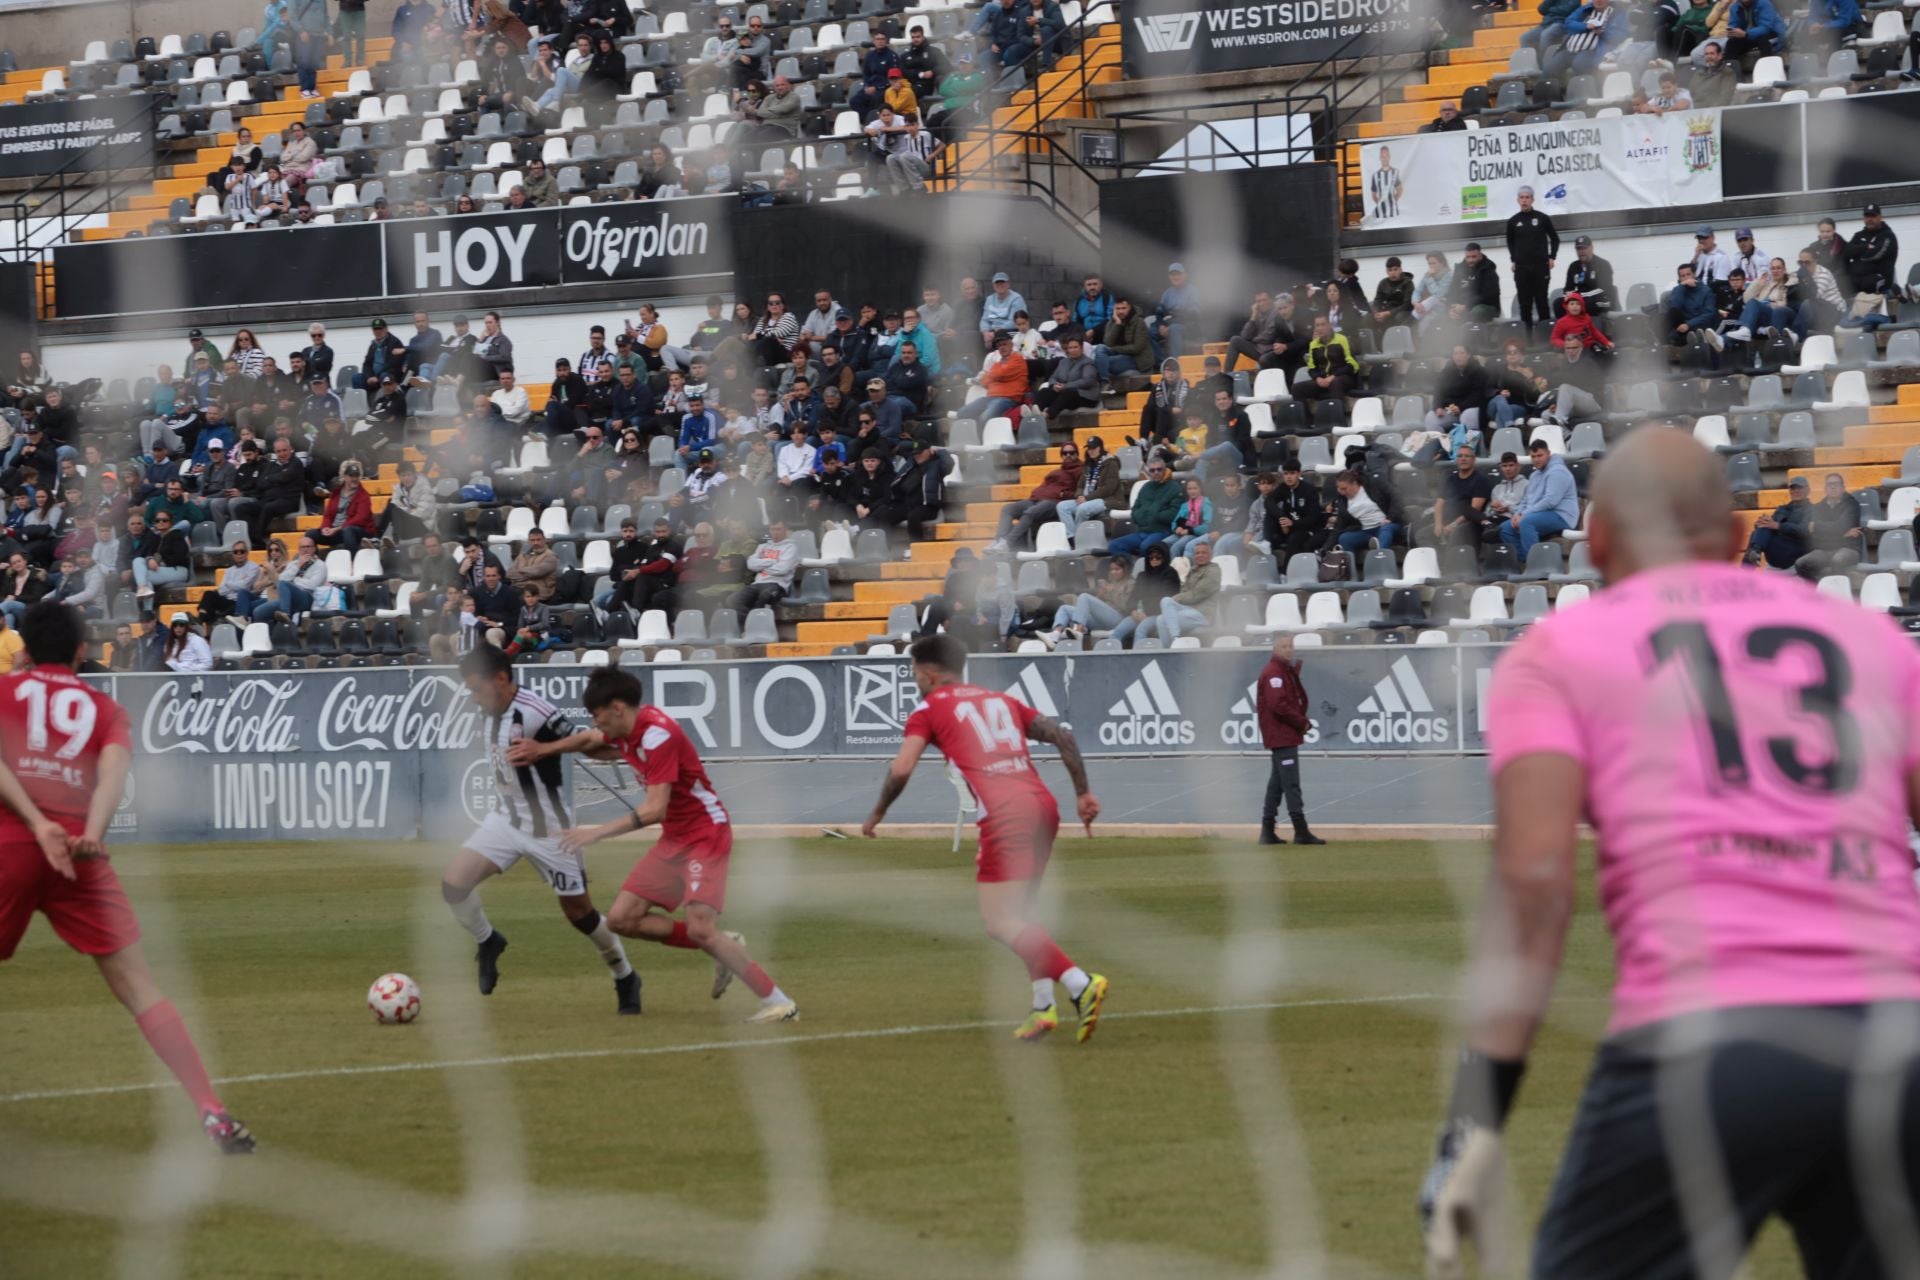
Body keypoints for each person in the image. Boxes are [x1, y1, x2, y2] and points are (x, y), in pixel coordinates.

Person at [1419, 426, 1920, 1279]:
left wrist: (1474, 1119)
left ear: (1599, 541)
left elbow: (1535, 886)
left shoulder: (1555, 654)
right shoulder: (1873, 641)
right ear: (1734, 540)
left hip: (1704, 1045)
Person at [0, 602, 255, 1151]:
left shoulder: (5, 691)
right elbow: (114, 771)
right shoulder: (100, 706)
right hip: (82, 854)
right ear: (80, 651)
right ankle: (213, 1113)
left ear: (22, 650)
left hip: (12, 844)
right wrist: (90, 832)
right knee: (141, 989)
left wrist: (37, 823)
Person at [509, 667, 798, 1023]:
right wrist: (544, 749)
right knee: (621, 919)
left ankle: (779, 1001)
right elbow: (587, 740)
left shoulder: (657, 736)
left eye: (598, 716)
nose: (598, 725)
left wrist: (594, 833)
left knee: (701, 928)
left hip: (705, 834)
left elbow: (653, 809)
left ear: (617, 708)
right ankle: (726, 948)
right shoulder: (628, 729)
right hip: (676, 836)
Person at [862, 634, 1108, 1042]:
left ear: (927, 671)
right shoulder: (1000, 699)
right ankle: (1043, 1006)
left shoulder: (928, 708)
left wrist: (877, 812)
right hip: (1041, 805)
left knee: (999, 920)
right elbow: (1063, 736)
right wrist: (1083, 792)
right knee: (1023, 915)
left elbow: (902, 768)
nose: (914, 680)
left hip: (1005, 814)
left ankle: (1081, 984)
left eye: (913, 673)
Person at [438, 646, 640, 1014]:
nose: (473, 696)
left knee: (581, 915)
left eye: (476, 688)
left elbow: (590, 743)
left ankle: (625, 976)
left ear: (501, 678)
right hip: (505, 820)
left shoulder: (535, 711)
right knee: (453, 884)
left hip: (550, 829)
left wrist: (632, 752)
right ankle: (488, 941)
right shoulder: (487, 712)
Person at [1254, 632, 1323, 846]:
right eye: (1284, 646)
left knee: (1277, 785)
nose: (1289, 649)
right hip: (1282, 735)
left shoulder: (1281, 671)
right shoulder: (1274, 673)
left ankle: (1267, 830)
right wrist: (1301, 722)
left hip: (1282, 735)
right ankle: (1300, 830)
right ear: (1274, 649)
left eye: (1291, 645)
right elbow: (1279, 706)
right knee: (1291, 784)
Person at [1502, 440, 1580, 559]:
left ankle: (1537, 563)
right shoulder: (1534, 475)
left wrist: (1524, 515)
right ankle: (1527, 560)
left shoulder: (1558, 471)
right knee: (1505, 528)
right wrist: (1517, 514)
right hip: (1540, 513)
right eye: (1533, 456)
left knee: (1526, 522)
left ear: (1548, 453)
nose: (1536, 459)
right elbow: (1526, 500)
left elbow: (1550, 501)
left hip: (1562, 515)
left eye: (1540, 455)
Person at [1505, 187, 1560, 340]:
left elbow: (1555, 239)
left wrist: (1552, 257)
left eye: (1527, 197)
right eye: (1521, 197)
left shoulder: (1542, 218)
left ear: (1533, 200)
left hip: (1540, 268)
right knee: (1525, 305)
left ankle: (1546, 338)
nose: (1524, 200)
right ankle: (1527, 341)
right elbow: (1510, 242)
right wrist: (1513, 260)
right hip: (1522, 269)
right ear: (1518, 200)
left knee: (1542, 302)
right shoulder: (1513, 221)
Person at [728, 518, 798, 615]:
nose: (775, 532)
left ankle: (758, 620)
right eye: (773, 529)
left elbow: (782, 569)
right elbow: (750, 564)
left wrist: (760, 567)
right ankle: (750, 622)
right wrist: (772, 561)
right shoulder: (763, 547)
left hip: (777, 585)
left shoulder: (790, 548)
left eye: (779, 529)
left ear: (785, 529)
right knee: (732, 600)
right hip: (757, 584)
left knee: (765, 596)